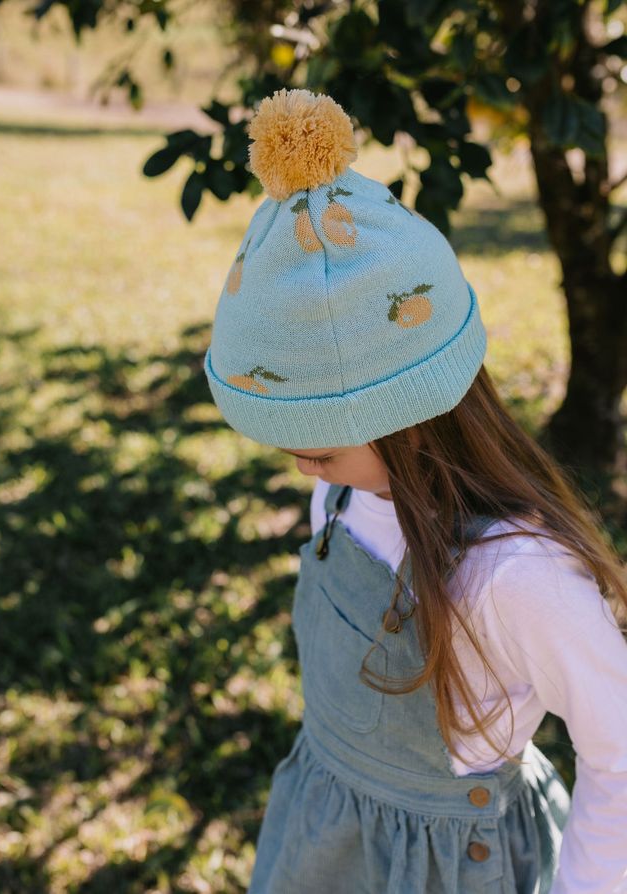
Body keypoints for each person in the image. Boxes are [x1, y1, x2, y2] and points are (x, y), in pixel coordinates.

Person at [203, 88, 627, 893]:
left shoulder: (515, 575)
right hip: (324, 847)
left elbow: (620, 747)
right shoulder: (341, 497)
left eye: (320, 449)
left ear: (409, 416)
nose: (304, 468)